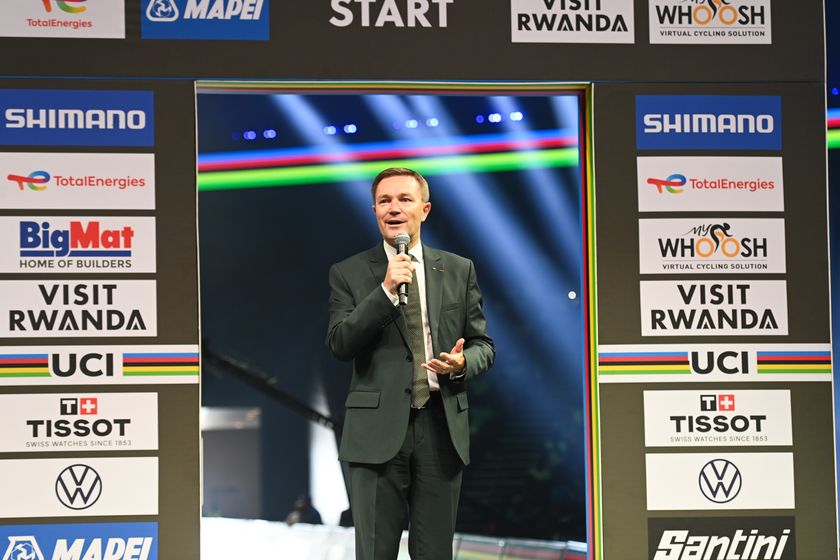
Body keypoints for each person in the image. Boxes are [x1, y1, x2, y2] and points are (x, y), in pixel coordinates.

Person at [326, 168, 495, 560]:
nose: (394, 208)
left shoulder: (458, 268)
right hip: (376, 434)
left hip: (441, 429)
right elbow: (340, 343)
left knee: (435, 553)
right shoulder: (348, 273)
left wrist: (461, 362)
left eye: (404, 199)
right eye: (384, 201)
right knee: (373, 553)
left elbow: (483, 344)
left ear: (425, 209)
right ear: (374, 211)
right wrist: (384, 291)